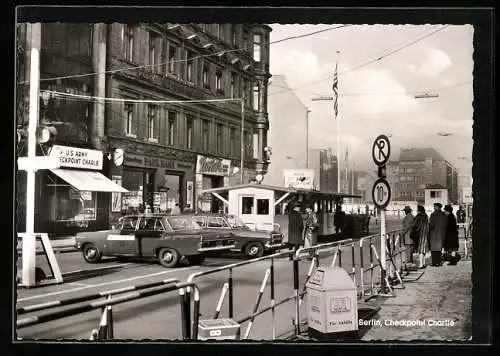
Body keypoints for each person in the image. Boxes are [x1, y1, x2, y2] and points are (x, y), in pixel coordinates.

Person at [428, 202, 448, 266]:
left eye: (434, 207)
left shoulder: (433, 215)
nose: (433, 208)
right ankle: (438, 262)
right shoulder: (444, 215)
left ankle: (434, 262)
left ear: (437, 207)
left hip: (434, 234)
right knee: (439, 249)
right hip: (441, 234)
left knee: (433, 250)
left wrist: (428, 225)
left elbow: (431, 225)